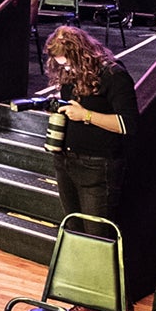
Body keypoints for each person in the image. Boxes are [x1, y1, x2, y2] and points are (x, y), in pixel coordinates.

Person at [40, 26, 136, 223]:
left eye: (68, 64)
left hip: (97, 165)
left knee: (96, 235)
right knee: (72, 228)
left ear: (81, 53)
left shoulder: (113, 74)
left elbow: (128, 124)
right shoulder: (70, 74)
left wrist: (86, 115)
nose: (66, 69)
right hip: (66, 160)